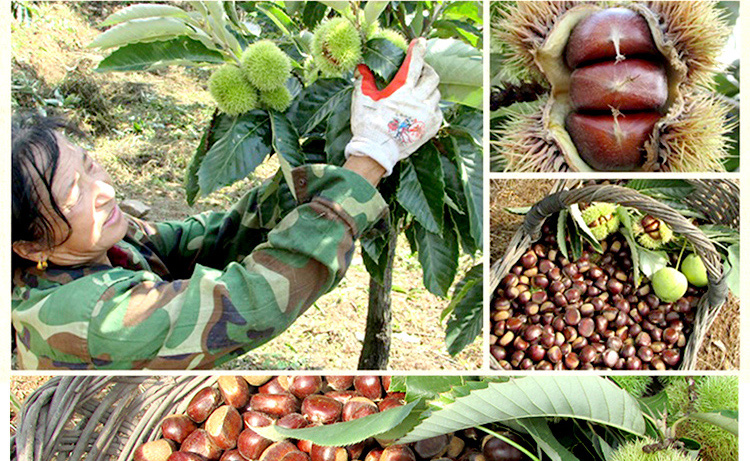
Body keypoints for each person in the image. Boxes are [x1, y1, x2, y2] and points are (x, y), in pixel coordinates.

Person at [11, 39, 442, 370]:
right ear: (29, 247)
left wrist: (329, 160)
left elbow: (218, 237)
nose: (103, 190)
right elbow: (249, 302)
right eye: (73, 194)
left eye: (91, 166)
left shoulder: (107, 243)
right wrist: (370, 161)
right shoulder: (88, 318)